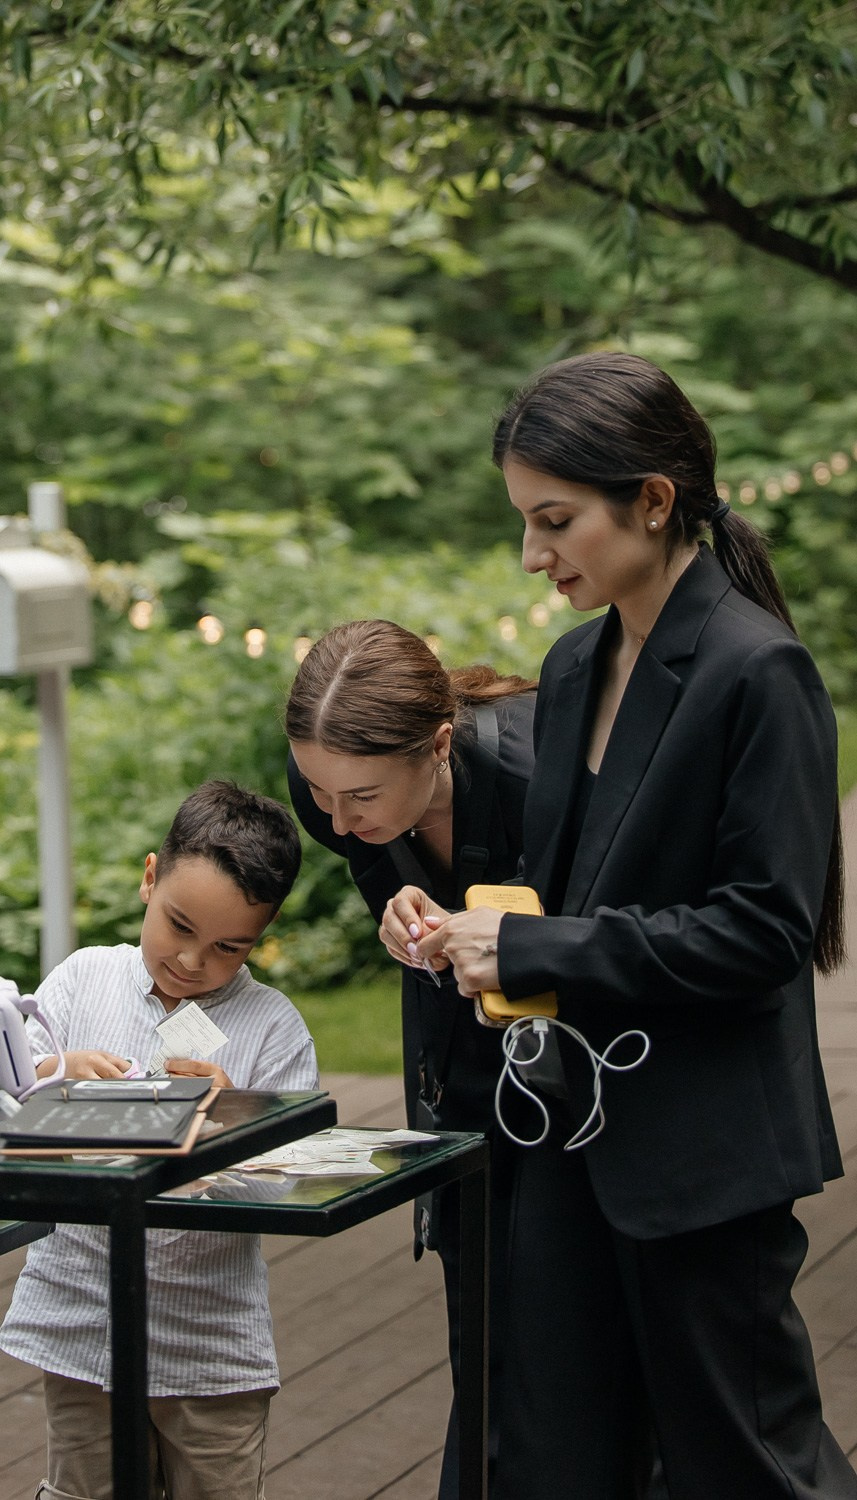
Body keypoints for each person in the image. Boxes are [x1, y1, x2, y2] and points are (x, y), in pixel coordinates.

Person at [382, 351, 856, 1499]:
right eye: (524, 522)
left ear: (651, 501)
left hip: (701, 1159)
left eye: (554, 520)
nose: (533, 555)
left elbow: (761, 934)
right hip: (566, 1144)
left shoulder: (758, 672)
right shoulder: (575, 659)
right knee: (556, 1462)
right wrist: (452, 926)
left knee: (743, 1466)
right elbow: (567, 888)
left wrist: (534, 947)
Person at [0, 780, 318, 1500]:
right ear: (149, 879)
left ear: (260, 939)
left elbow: (286, 1182)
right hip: (82, 1315)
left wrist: (233, 1112)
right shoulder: (85, 980)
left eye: (229, 947)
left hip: (207, 1341)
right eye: (178, 926)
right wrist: (54, 1070)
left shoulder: (273, 1028)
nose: (193, 961)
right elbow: (2, 1099)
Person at [285, 617, 537, 1498]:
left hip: (583, 1070)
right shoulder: (328, 785)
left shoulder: (536, 774)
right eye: (317, 789)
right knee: (483, 1327)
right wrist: (402, 919)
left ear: (438, 745)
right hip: (457, 1070)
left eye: (359, 794)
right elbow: (378, 873)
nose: (335, 817)